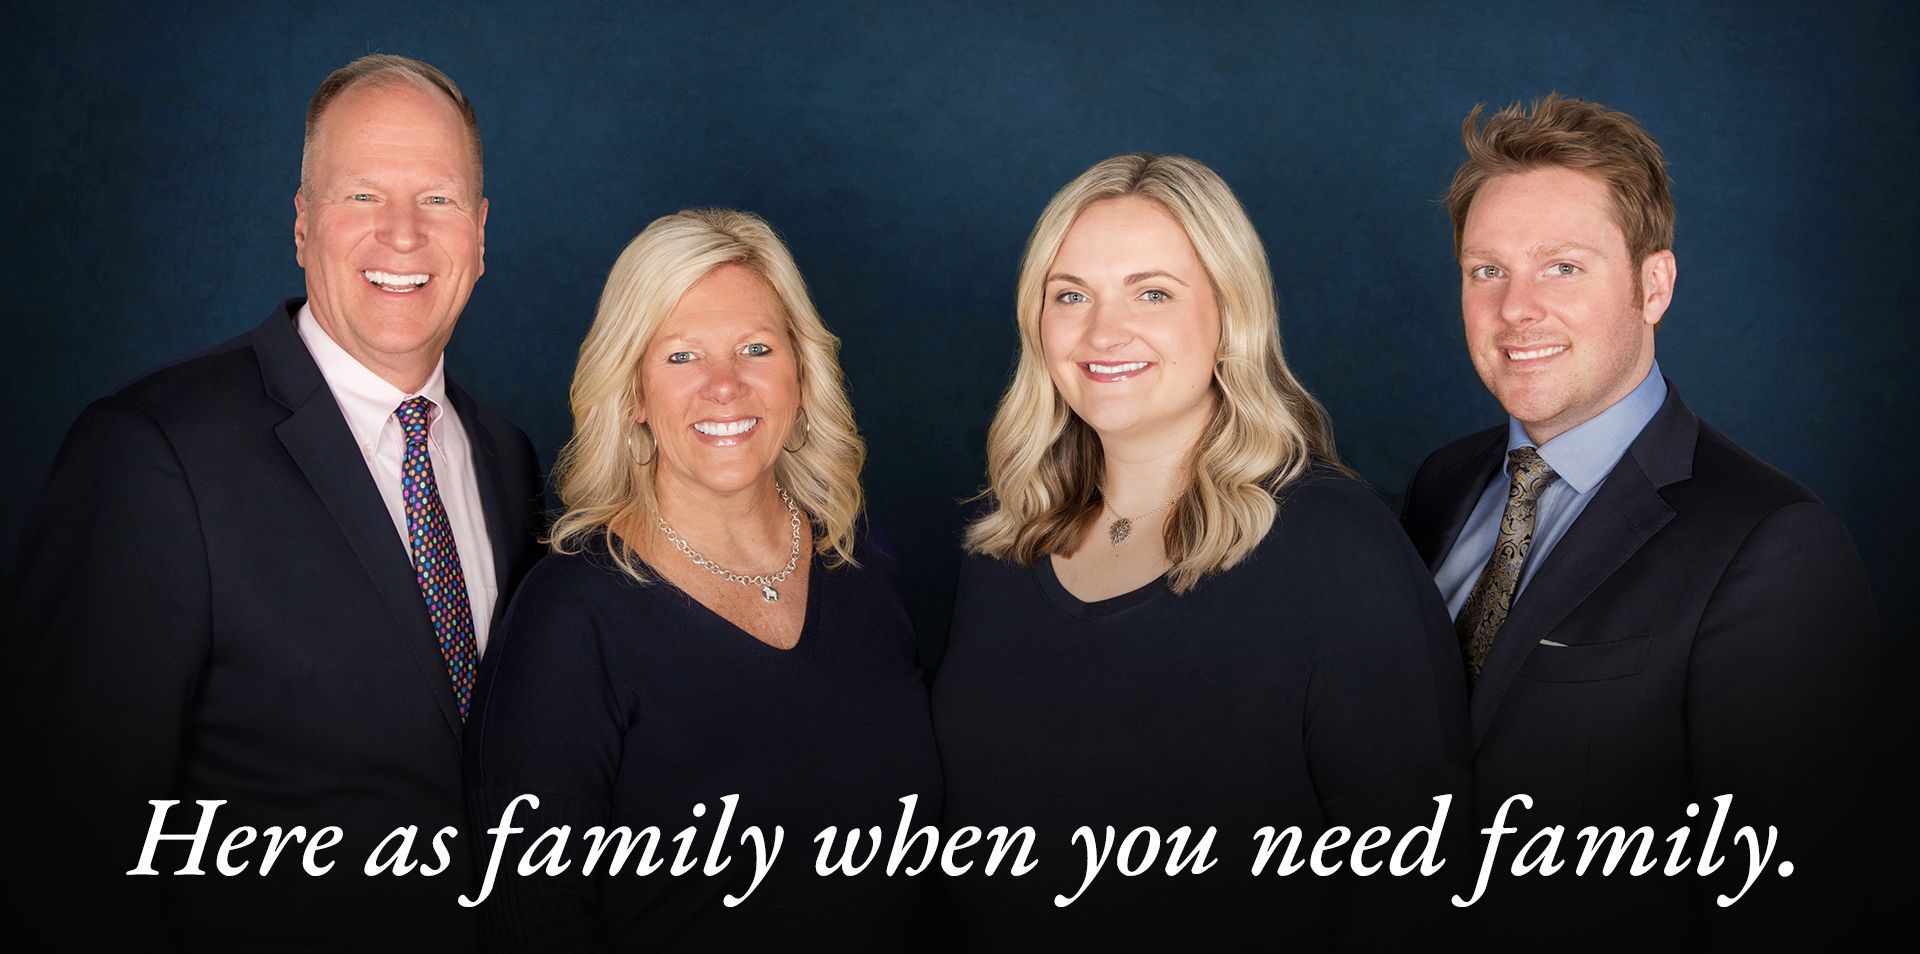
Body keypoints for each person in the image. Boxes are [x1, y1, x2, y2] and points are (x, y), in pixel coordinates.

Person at [5, 55, 544, 949]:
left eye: (439, 200)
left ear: (480, 236)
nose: (402, 234)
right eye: (362, 196)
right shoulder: (151, 455)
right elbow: (60, 846)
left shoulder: (507, 459)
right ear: (303, 225)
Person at [932, 153, 1471, 949]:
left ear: (1230, 315)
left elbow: (1420, 885)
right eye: (1070, 295)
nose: (1101, 332)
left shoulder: (1331, 549)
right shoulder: (1006, 546)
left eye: (1152, 293)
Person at [1400, 93, 1877, 940]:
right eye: (1487, 270)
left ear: (1653, 286)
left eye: (1563, 267)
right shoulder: (1442, 487)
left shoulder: (1772, 548)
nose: (1516, 309)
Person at [463, 209, 941, 951]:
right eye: (681, 357)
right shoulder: (568, 617)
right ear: (632, 392)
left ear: (801, 374)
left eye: (756, 348)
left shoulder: (863, 568)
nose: (724, 386)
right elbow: (532, 923)